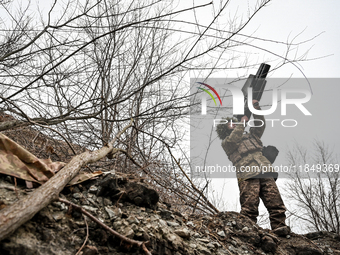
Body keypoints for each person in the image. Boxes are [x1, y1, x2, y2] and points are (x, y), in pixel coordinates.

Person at [216, 100, 290, 236]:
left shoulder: (252, 136)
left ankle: (280, 229)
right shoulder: (227, 143)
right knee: (249, 206)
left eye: (234, 122)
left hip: (265, 170)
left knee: (276, 202)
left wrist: (256, 109)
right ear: (225, 129)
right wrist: (242, 123)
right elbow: (234, 138)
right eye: (230, 124)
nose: (234, 124)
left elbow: (260, 124)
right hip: (247, 174)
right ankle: (248, 232)